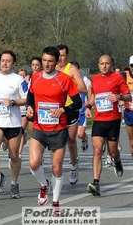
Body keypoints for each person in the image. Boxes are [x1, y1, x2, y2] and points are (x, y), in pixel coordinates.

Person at [26, 46, 82, 213]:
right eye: (44, 60)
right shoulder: (35, 77)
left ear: (57, 62)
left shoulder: (64, 79)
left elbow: (78, 103)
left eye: (50, 61)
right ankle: (44, 185)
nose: (46, 64)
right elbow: (31, 95)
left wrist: (63, 109)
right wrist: (29, 106)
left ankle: (56, 202)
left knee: (56, 167)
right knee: (33, 163)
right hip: (39, 126)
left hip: (58, 128)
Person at [85, 55, 131, 196]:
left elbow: (129, 96)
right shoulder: (95, 79)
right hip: (99, 120)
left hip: (113, 120)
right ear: (98, 65)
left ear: (111, 65)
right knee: (98, 150)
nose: (104, 66)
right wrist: (88, 105)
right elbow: (94, 95)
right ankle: (96, 182)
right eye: (102, 64)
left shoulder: (118, 78)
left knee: (112, 152)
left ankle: (117, 161)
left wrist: (119, 97)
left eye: (107, 63)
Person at [0, 50, 27, 199]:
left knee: (14, 156)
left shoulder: (18, 80)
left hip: (13, 123)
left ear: (13, 63)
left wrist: (13, 102)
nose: (4, 63)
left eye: (8, 61)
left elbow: (26, 98)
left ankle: (14, 183)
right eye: (2, 60)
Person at [55, 44, 87, 185]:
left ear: (67, 56)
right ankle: (56, 171)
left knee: (71, 141)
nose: (60, 58)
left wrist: (67, 86)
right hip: (55, 110)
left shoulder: (72, 69)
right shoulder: (52, 69)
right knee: (55, 142)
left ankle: (73, 166)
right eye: (58, 55)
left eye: (63, 55)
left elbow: (82, 87)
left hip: (70, 109)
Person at [70, 61, 92, 153]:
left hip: (82, 112)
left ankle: (84, 138)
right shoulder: (67, 79)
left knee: (80, 134)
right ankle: (75, 155)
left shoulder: (84, 80)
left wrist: (89, 103)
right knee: (71, 137)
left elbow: (91, 90)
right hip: (71, 111)